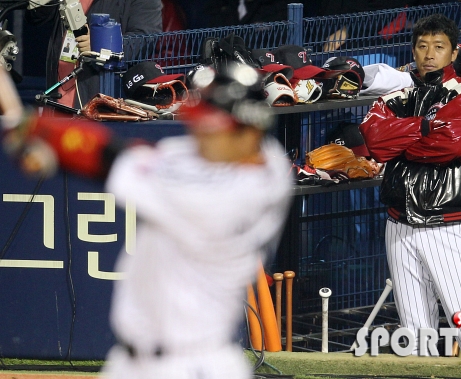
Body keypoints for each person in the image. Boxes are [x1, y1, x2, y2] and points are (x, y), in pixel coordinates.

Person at [0, 63, 293, 378]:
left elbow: (106, 156)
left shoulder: (230, 196)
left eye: (213, 129)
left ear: (248, 132)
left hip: (189, 366)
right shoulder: (253, 157)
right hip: (134, 362)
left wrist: (29, 127)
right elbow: (154, 155)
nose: (201, 136)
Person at [359, 14, 461, 358]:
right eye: (422, 46)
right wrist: (424, 127)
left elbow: (454, 143)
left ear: (453, 54)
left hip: (447, 223)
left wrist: (402, 139)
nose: (429, 54)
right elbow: (375, 141)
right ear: (413, 50)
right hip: (398, 222)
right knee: (416, 336)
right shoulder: (398, 94)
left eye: (438, 47)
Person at [25, 0, 163, 110]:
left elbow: (145, 40)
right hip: (57, 96)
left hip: (101, 100)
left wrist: (100, 45)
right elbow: (36, 17)